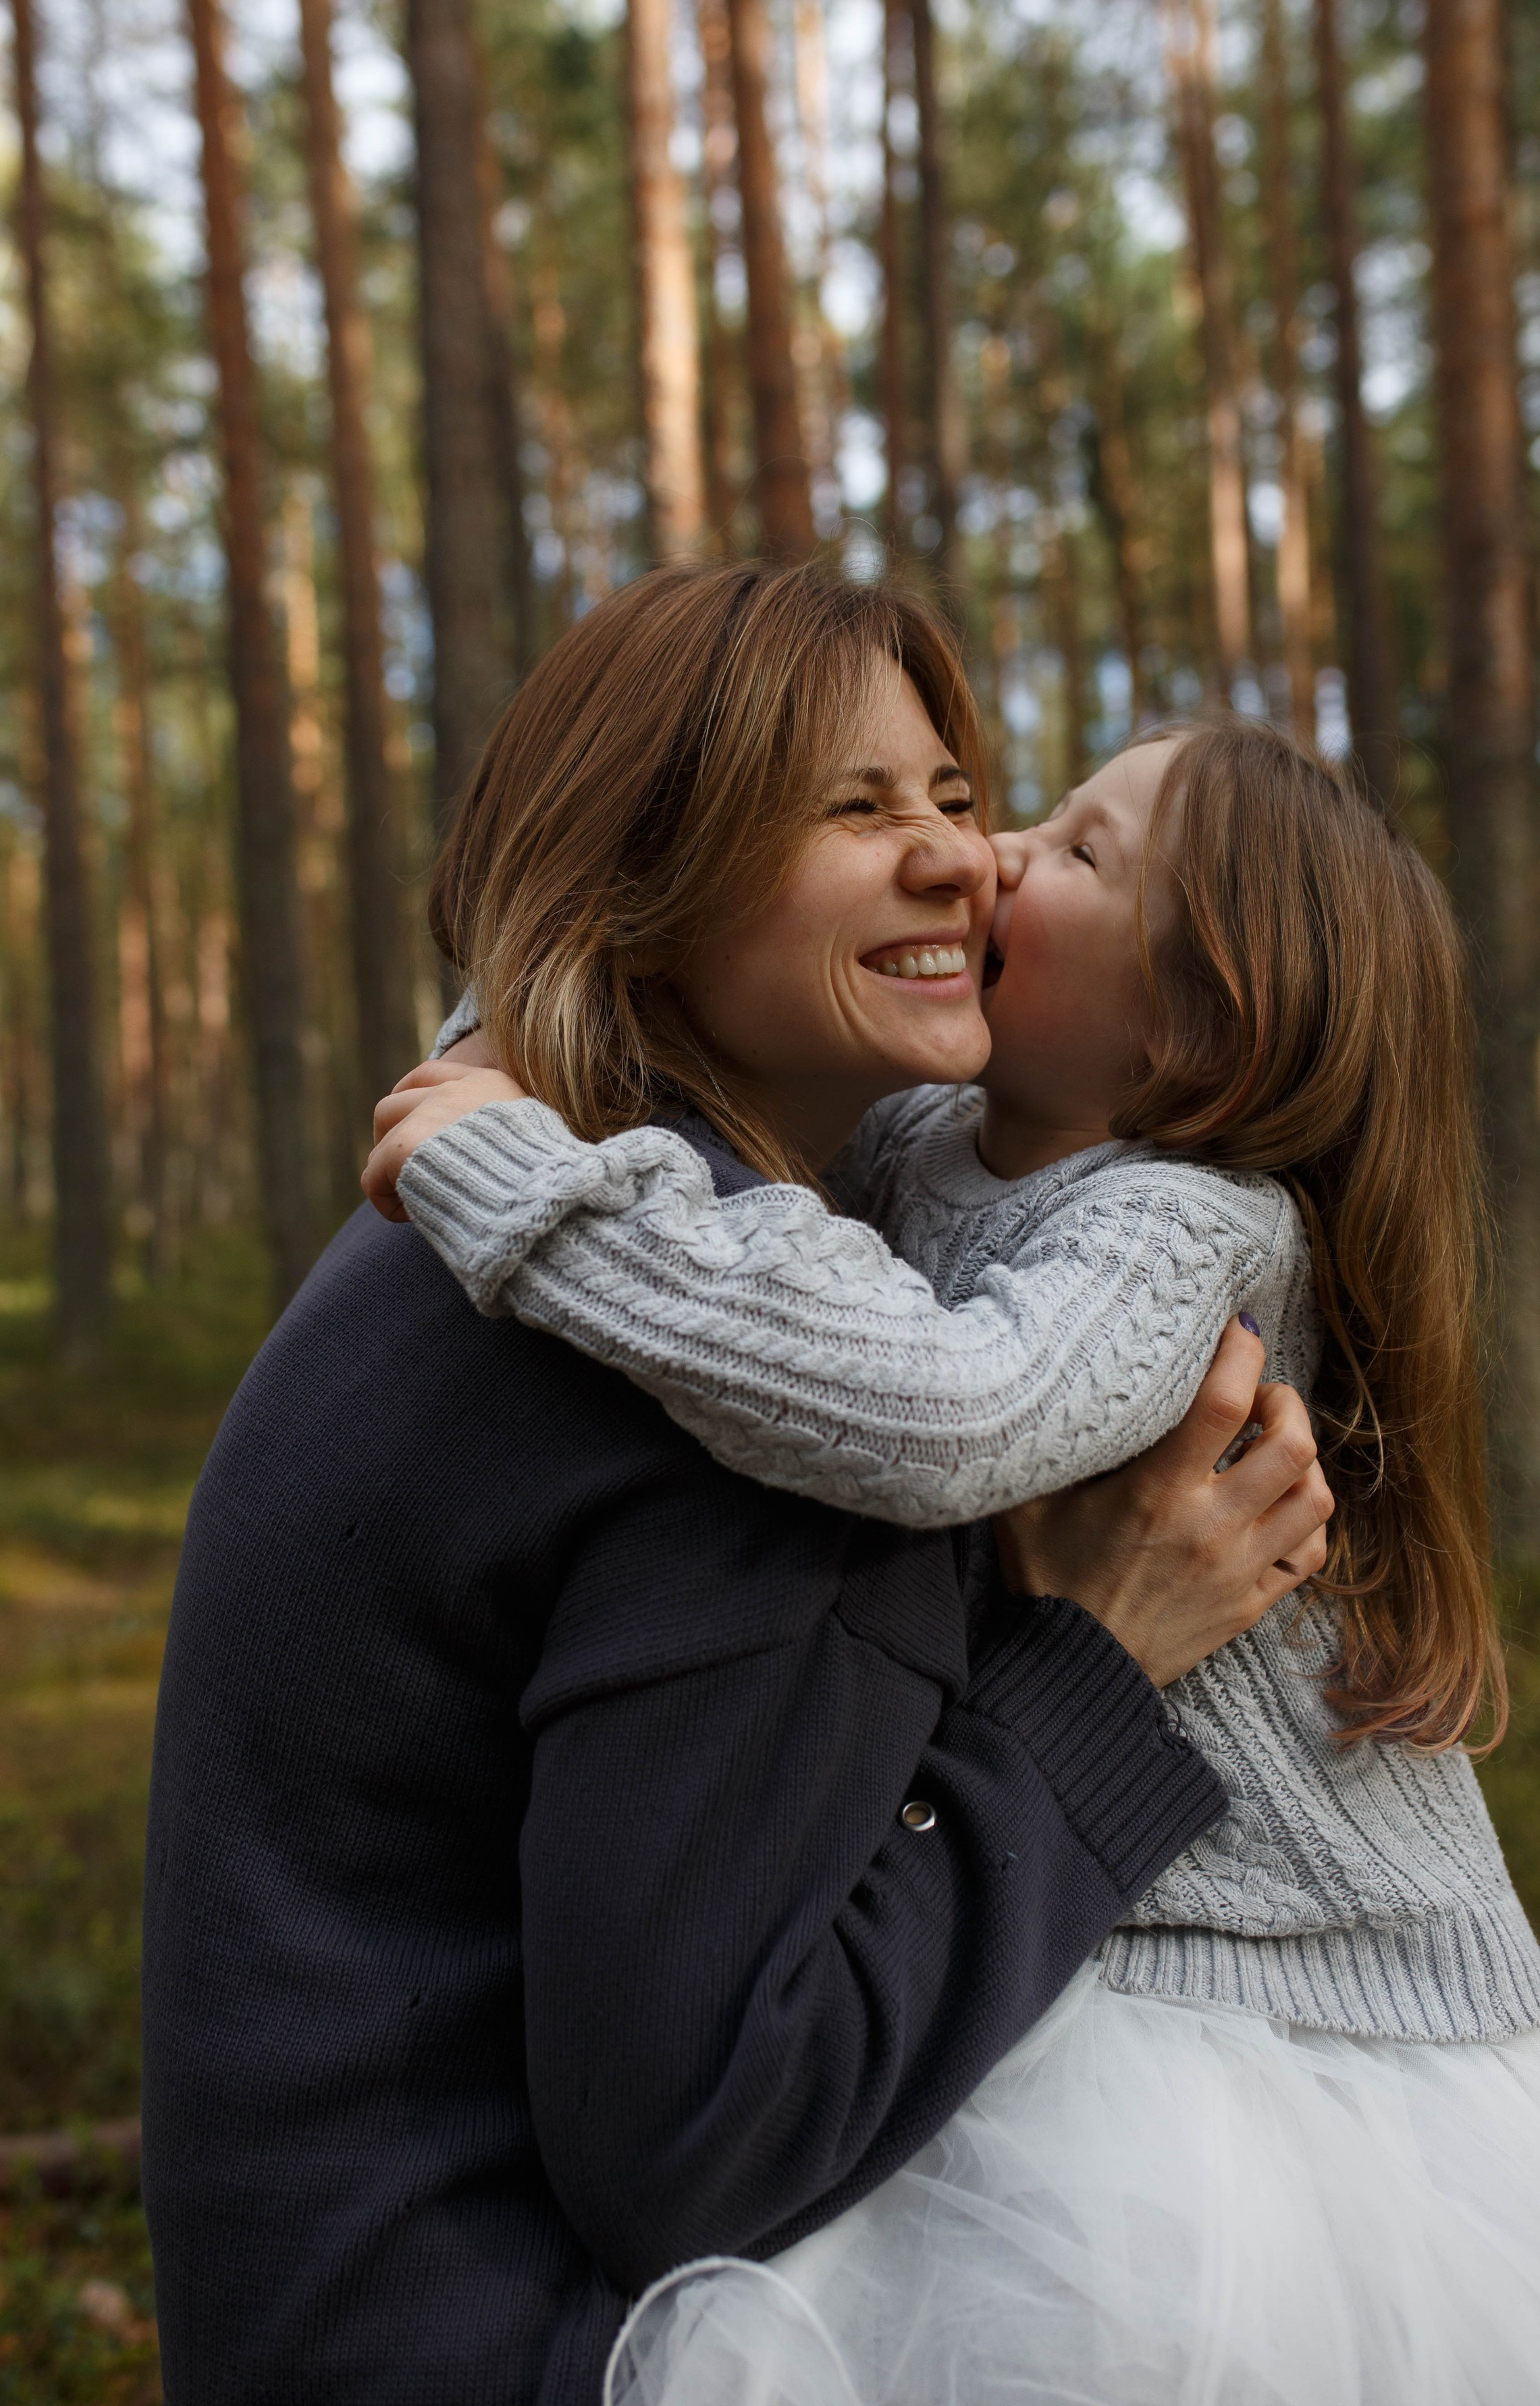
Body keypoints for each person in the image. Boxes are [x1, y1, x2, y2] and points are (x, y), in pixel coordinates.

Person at [140, 565, 1330, 2406]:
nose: (962, 858)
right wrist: (1097, 1666)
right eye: (854, 809)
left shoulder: (577, 1208)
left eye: (951, 793)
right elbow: (710, 2143)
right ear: (643, 883)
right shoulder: (732, 1371)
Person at [367, 716, 1540, 2404]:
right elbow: (705, 1147)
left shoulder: (1183, 1225)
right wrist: (515, 1039)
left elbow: (938, 1411)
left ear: (1200, 1019)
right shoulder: (927, 1146)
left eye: (1073, 852)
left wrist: (517, 1184)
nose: (993, 856)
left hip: (1263, 2010)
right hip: (1064, 1915)